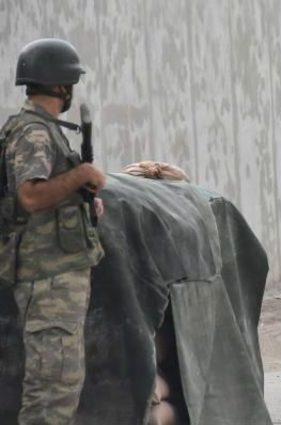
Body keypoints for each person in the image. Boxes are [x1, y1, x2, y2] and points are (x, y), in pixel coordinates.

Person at [0, 38, 106, 424]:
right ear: (62, 85)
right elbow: (30, 196)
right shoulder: (34, 133)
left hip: (55, 277)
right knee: (49, 393)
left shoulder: (44, 129)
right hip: (47, 280)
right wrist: (82, 174)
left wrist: (83, 199)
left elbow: (45, 195)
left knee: (59, 386)